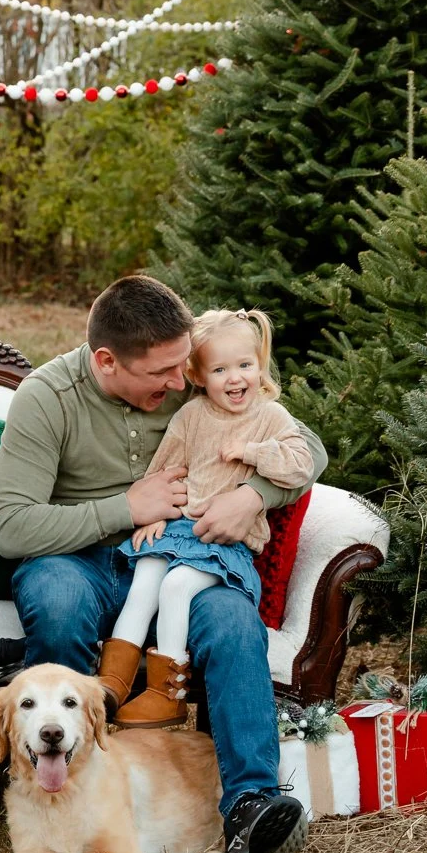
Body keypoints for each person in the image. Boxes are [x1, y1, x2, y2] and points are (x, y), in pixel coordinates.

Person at [0, 274, 327, 853]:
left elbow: (309, 449)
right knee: (55, 593)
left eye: (185, 369)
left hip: (182, 555)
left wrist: (253, 494)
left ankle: (250, 801)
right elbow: (12, 527)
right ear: (106, 361)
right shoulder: (47, 397)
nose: (181, 382)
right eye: (164, 374)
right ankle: (56, 783)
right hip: (83, 559)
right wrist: (126, 509)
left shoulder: (193, 381)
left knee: (230, 620)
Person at [101, 306, 314, 728]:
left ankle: (168, 695)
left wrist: (253, 453)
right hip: (179, 530)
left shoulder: (270, 417)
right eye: (220, 369)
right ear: (199, 376)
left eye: (245, 366)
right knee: (144, 580)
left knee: (177, 586)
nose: (235, 378)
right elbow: (164, 469)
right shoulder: (191, 416)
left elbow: (301, 465)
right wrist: (152, 515)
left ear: (259, 366)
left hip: (225, 545)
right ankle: (111, 684)